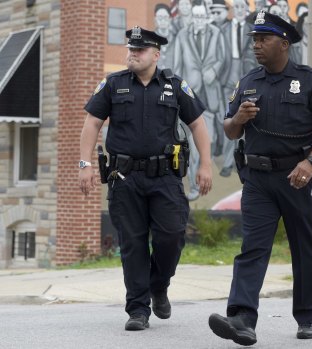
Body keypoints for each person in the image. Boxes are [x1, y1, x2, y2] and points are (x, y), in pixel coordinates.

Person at [207, 11, 312, 345]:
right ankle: (241, 318)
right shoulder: (248, 81)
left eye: (263, 39)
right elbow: (230, 129)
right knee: (252, 248)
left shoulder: (310, 81)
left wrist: (311, 162)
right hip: (257, 180)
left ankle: (307, 317)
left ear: (284, 43)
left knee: (305, 248)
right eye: (254, 40)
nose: (256, 46)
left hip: (297, 178)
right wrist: (237, 117)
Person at [78, 26, 212, 330]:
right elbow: (92, 123)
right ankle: (137, 309)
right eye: (130, 49)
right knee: (132, 244)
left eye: (138, 51)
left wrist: (206, 164)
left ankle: (159, 284)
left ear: (155, 54)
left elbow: (198, 125)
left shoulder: (175, 85)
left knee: (173, 234)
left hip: (165, 177)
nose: (131, 54)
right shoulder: (112, 84)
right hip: (124, 177)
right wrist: (85, 163)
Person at [174, 3, 227, 200]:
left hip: (210, 96)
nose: (198, 20)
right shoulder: (182, 35)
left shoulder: (216, 34)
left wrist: (214, 71)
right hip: (188, 96)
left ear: (206, 17)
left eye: (201, 16)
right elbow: (177, 65)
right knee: (187, 143)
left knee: (206, 141)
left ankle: (200, 182)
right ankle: (192, 184)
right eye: (195, 16)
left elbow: (223, 59)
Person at [218, 0, 258, 178]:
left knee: (248, 120)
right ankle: (227, 163)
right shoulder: (223, 29)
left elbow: (253, 56)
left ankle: (242, 161)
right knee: (231, 119)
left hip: (248, 79)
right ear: (233, 10)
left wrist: (249, 76)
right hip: (227, 77)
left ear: (247, 10)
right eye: (238, 7)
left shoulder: (253, 30)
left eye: (244, 7)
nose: (241, 10)